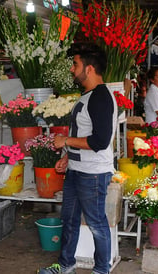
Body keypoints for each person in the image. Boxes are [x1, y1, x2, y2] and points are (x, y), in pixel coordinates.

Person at [38, 43, 117, 274]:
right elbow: (81, 134)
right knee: (69, 220)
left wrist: (65, 142)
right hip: (77, 169)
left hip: (93, 173)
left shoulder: (100, 97)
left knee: (96, 224)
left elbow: (99, 141)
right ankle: (65, 265)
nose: (72, 69)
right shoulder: (88, 95)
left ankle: (102, 269)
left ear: (90, 69)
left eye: (75, 64)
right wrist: (67, 156)